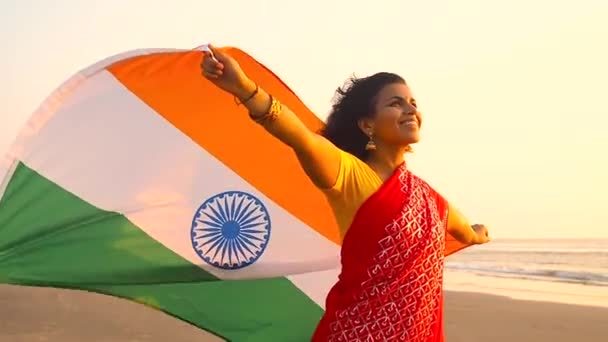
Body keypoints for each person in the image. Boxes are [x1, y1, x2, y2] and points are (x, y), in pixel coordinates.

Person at [201, 45, 490, 342]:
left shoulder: (429, 199)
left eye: (413, 103)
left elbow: (464, 229)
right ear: (367, 125)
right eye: (396, 103)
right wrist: (245, 88)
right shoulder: (349, 174)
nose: (411, 110)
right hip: (355, 332)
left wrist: (479, 234)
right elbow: (300, 137)